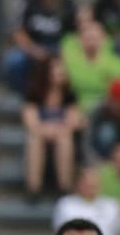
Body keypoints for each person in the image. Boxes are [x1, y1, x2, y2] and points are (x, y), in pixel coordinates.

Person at [21, 56, 81, 197]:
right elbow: (30, 122)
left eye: (63, 69)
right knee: (34, 138)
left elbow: (73, 122)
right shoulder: (34, 95)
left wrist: (58, 130)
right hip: (41, 136)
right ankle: (33, 187)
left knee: (64, 139)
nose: (61, 72)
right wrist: (46, 130)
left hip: (62, 136)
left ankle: (64, 185)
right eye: (57, 69)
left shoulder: (70, 96)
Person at [53, 167, 120, 235]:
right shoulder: (66, 205)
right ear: (79, 183)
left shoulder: (112, 205)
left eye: (94, 183)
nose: (91, 186)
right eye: (87, 183)